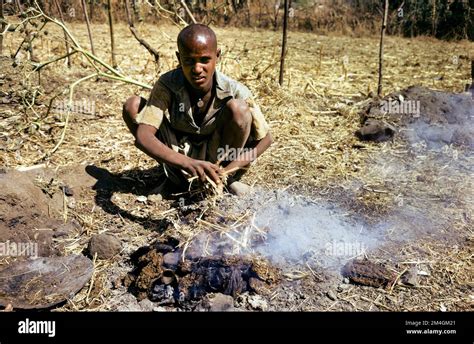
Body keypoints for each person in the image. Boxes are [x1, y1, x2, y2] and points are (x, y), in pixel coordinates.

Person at [122, 24, 273, 196]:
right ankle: (174, 179)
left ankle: (224, 183)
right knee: (133, 106)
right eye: (189, 61)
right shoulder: (167, 84)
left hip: (219, 157)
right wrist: (187, 163)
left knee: (238, 109)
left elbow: (266, 140)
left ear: (217, 56)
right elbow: (144, 136)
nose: (197, 69)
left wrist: (226, 172)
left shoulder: (234, 90)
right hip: (179, 153)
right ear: (179, 59)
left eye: (204, 60)